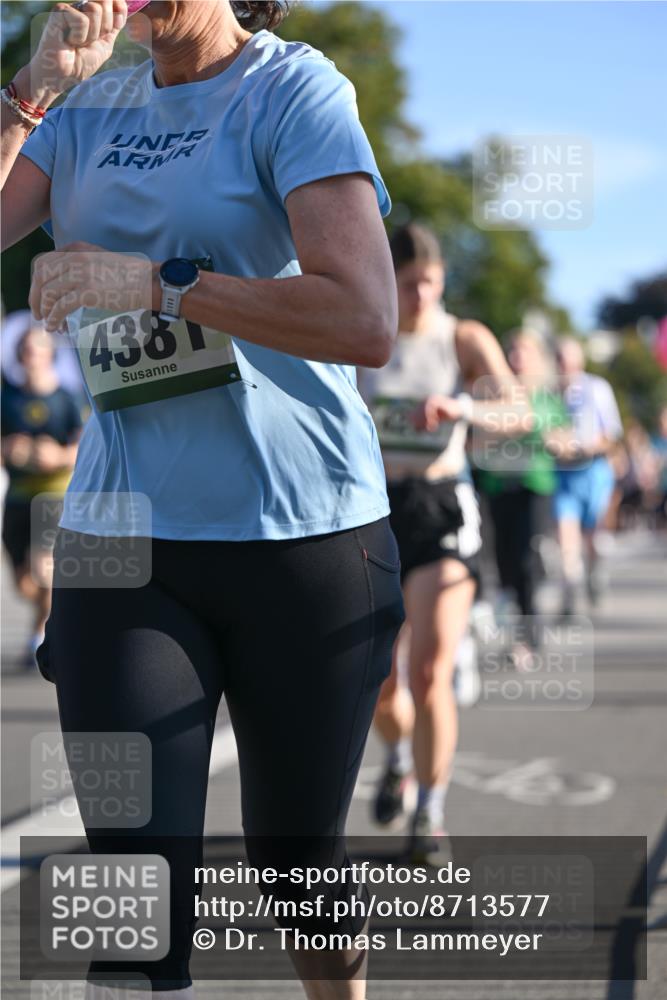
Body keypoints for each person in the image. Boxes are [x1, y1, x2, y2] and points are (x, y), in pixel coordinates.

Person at [1, 2, 405, 997]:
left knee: (294, 866)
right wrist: (34, 86)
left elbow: (362, 317)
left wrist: (157, 284)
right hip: (122, 538)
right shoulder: (82, 104)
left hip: (304, 531)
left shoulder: (291, 89)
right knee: (134, 894)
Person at [358, 223, 524, 863]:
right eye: (408, 283)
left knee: (429, 670)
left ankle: (429, 812)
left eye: (431, 281)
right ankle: (397, 756)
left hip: (441, 506)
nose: (422, 294)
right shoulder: (364, 334)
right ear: (388, 283)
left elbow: (520, 410)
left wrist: (466, 412)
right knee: (377, 681)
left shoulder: (463, 338)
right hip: (374, 508)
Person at [477, 328, 568, 669]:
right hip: (498, 485)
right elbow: (480, 437)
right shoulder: (492, 394)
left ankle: (529, 638)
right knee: (502, 563)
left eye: (524, 350)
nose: (517, 357)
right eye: (511, 349)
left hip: (534, 485)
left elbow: (563, 438)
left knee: (527, 559)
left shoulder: (545, 397)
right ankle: (516, 632)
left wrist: (545, 434)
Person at [1, 320, 82, 666]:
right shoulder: (7, 398)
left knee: (43, 569)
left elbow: (86, 446)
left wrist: (57, 456)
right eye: (24, 348)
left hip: (54, 494)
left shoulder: (67, 398)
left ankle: (41, 635)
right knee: (23, 582)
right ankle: (44, 621)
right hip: (18, 495)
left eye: (36, 348)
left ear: (49, 354)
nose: (29, 354)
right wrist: (9, 449)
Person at [551, 337, 623, 615]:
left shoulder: (597, 388)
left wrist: (588, 446)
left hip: (594, 471)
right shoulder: (549, 393)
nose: (565, 366)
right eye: (560, 360)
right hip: (564, 474)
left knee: (594, 538)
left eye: (569, 360)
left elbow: (612, 433)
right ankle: (569, 590)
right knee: (566, 536)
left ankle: (594, 574)